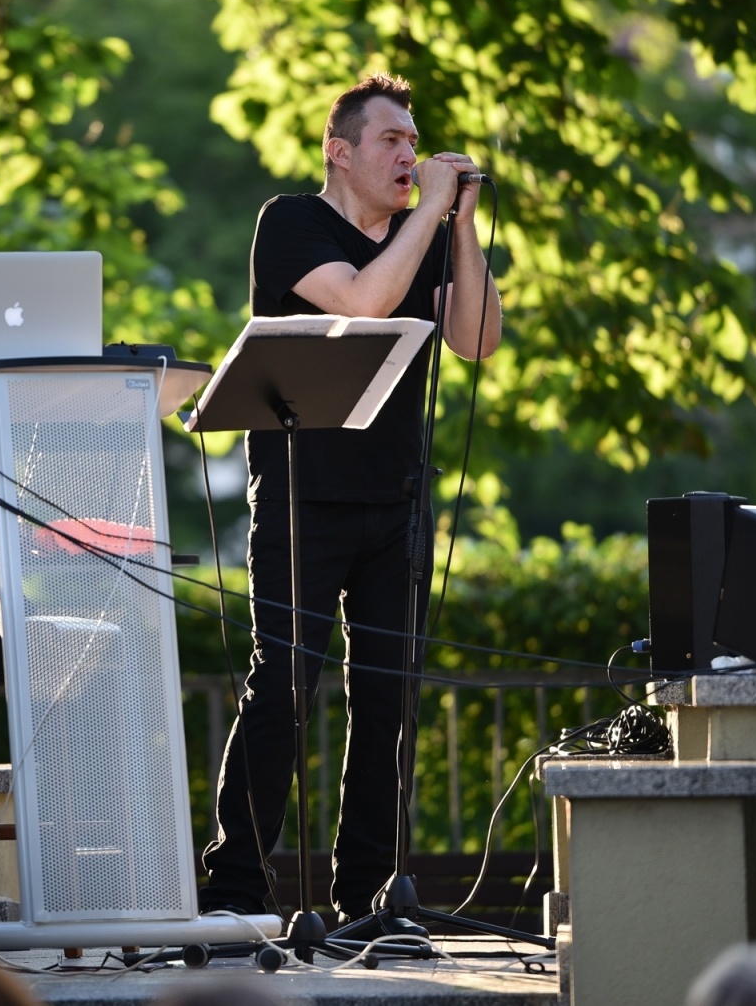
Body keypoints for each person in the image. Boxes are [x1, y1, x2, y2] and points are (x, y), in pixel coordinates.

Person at [198, 72, 502, 926]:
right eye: (392, 141)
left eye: (416, 141)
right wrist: (423, 226)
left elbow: (476, 339)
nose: (410, 154)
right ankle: (235, 891)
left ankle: (370, 894)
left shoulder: (426, 235)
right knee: (284, 686)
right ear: (341, 151)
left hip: (396, 496)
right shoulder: (291, 222)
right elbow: (364, 302)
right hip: (303, 494)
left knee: (387, 700)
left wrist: (461, 227)